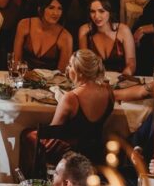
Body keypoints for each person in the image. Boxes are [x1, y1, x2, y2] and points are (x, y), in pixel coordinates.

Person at [19, 49, 115, 177]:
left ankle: (31, 179)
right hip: (94, 148)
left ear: (79, 73)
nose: (67, 68)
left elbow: (53, 131)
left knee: (27, 135)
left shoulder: (71, 98)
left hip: (70, 152)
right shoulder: (108, 91)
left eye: (70, 65)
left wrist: (61, 102)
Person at [14, 0, 73, 72]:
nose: (56, 13)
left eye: (59, 8)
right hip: (23, 79)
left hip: (51, 84)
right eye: (51, 7)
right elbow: (16, 61)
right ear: (40, 9)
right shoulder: (24, 25)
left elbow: (62, 74)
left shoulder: (65, 37)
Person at [78, 0, 136, 77]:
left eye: (101, 11)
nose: (97, 16)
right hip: (94, 82)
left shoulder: (124, 30)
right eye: (93, 12)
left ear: (110, 11)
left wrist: (123, 77)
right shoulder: (84, 31)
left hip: (120, 81)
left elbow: (131, 63)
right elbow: (84, 65)